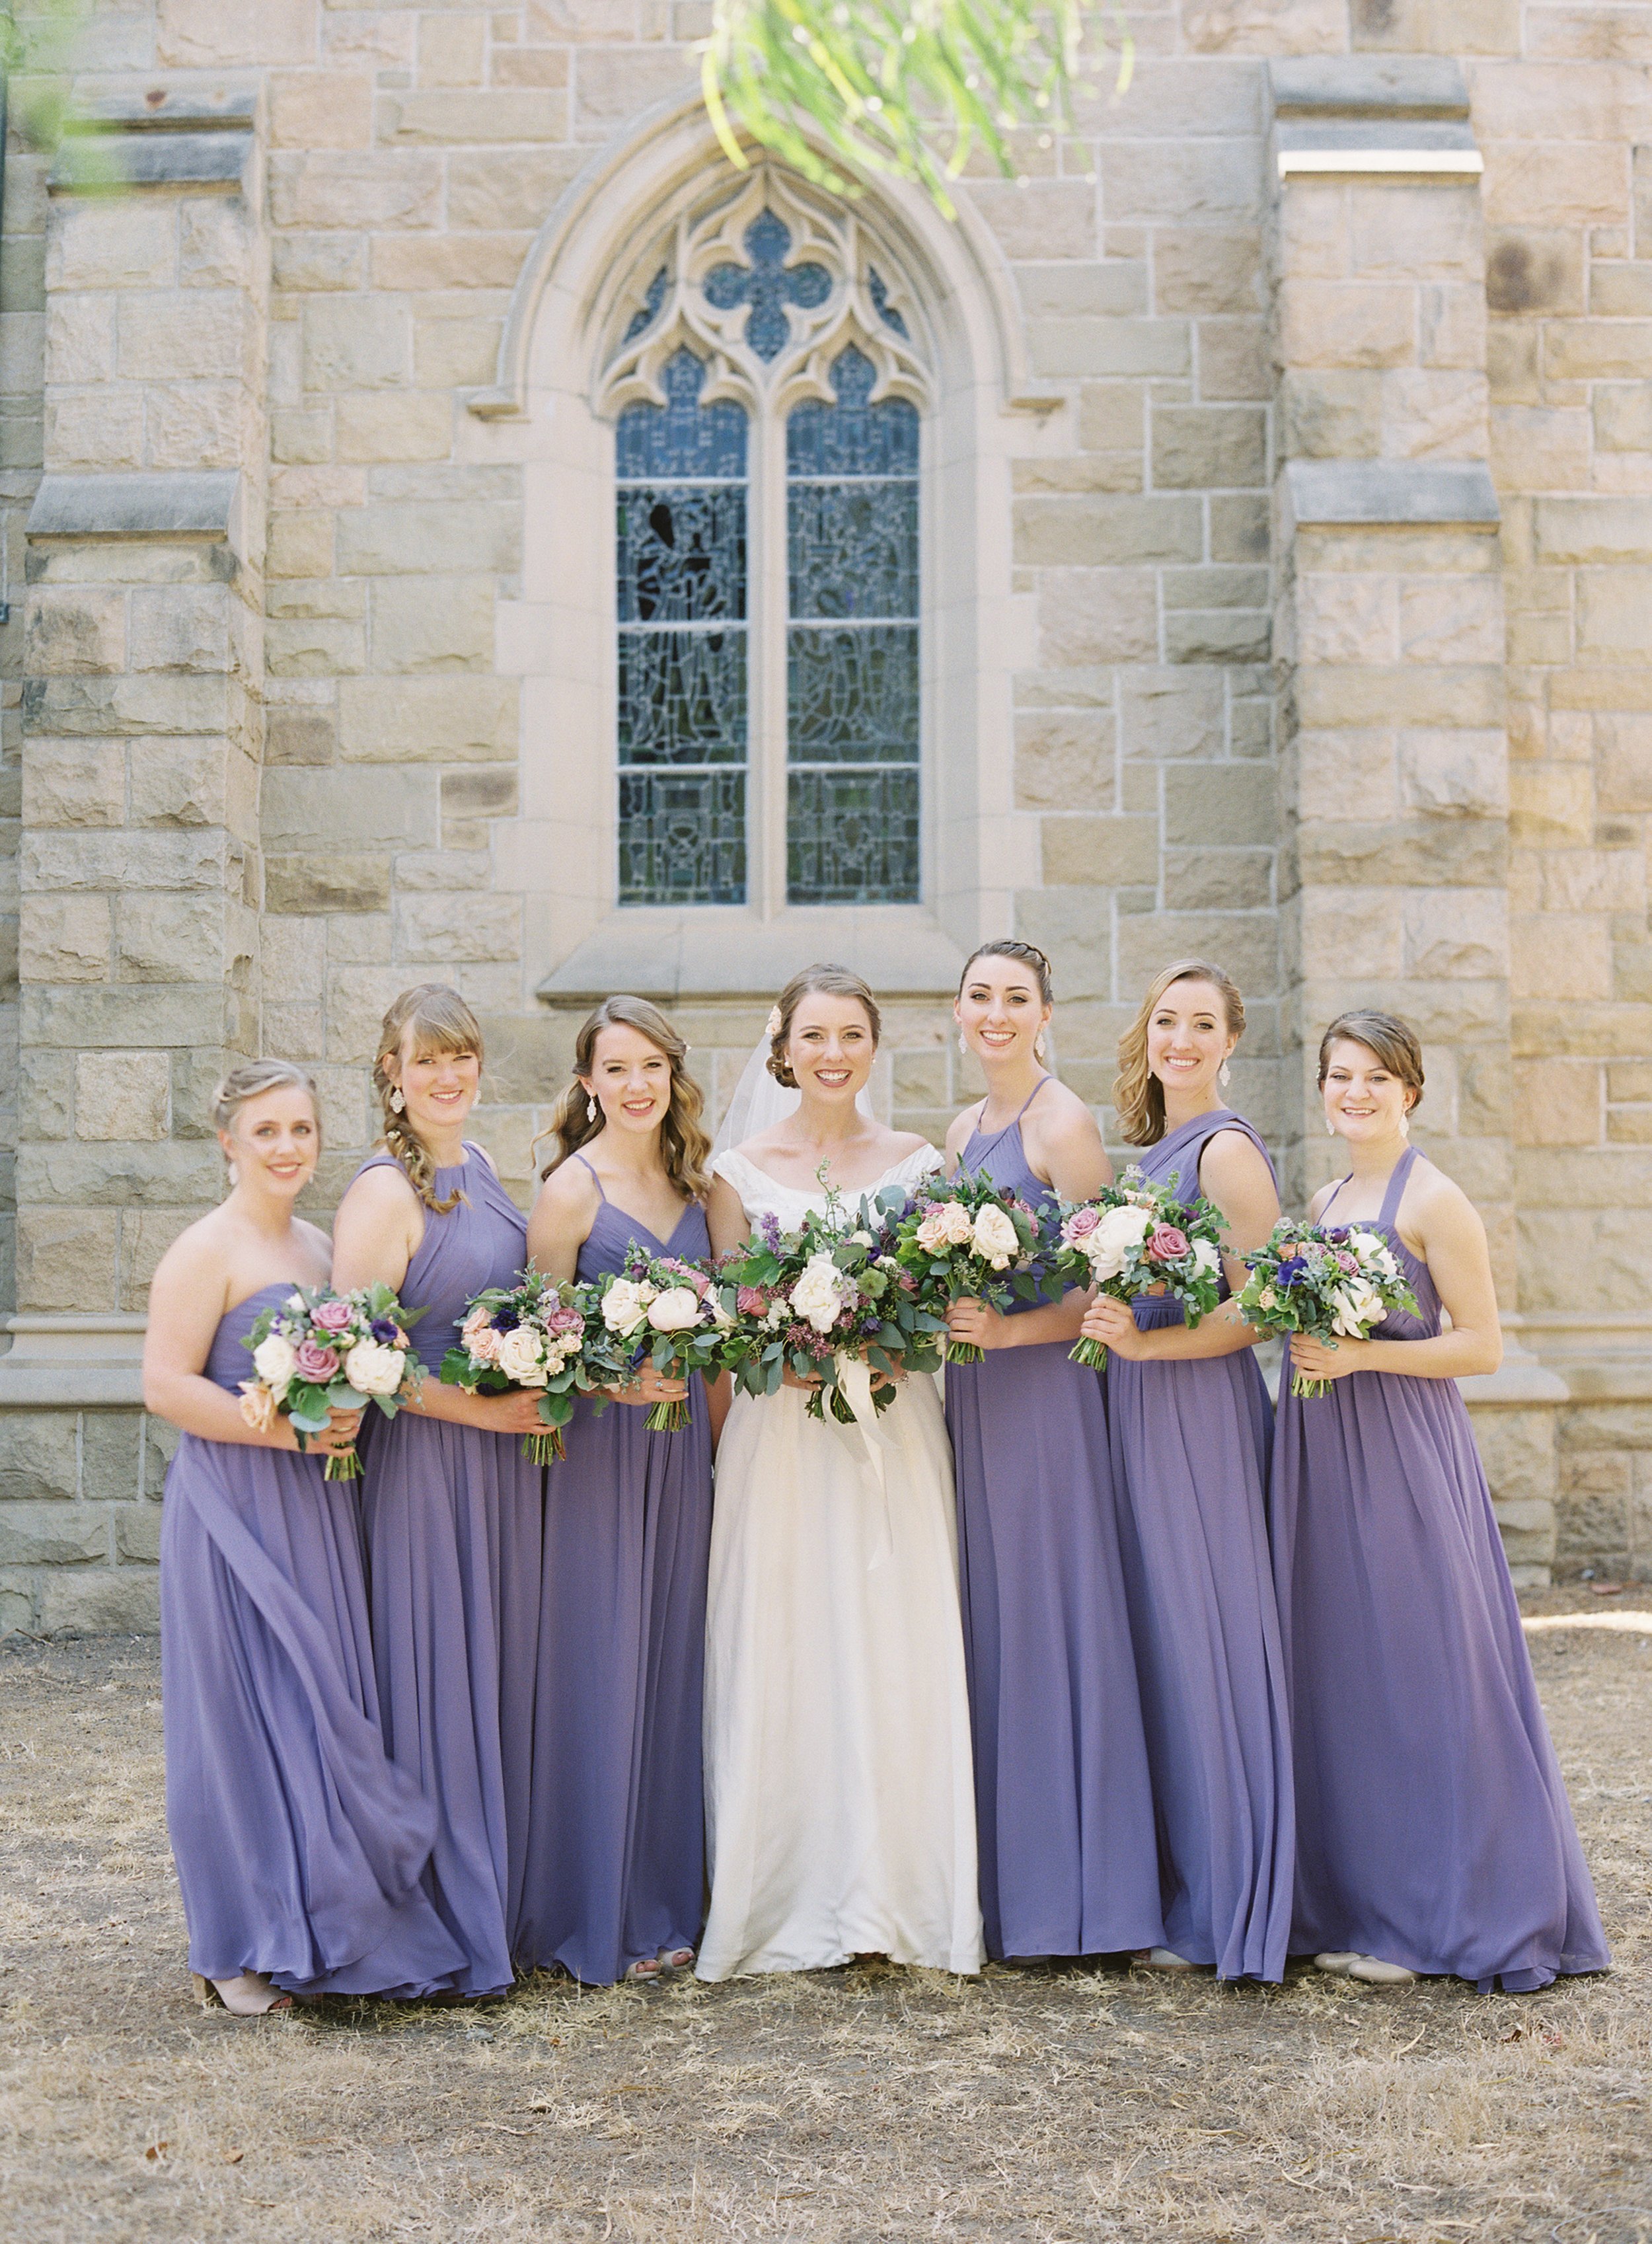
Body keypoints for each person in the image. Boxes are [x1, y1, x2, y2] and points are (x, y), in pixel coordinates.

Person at [1273, 1010, 1611, 1992]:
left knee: (1426, 1671)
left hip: (1403, 1456)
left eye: (1377, 1077)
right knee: (1350, 1675)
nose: (1357, 1093)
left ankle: (1449, 1914)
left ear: (1410, 1090)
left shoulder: (1437, 1200)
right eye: (1341, 1076)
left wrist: (1359, 1352)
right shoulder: (1326, 1195)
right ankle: (1369, 1904)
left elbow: (1482, 1345)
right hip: (1323, 1451)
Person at [145, 1061, 466, 2013]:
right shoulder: (207, 1249)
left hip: (319, 1509)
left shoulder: (325, 1246)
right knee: (241, 1718)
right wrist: (284, 1428)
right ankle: (233, 1947)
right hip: (234, 1508)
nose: (287, 1148)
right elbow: (165, 1385)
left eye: (301, 1131)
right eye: (267, 1131)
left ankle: (319, 1923)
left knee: (319, 1710)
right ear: (228, 1143)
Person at [697, 964, 984, 1980]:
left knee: (890, 1642)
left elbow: (941, 1310)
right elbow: (735, 1321)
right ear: (783, 1049)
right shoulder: (735, 1171)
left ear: (873, 1047)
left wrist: (884, 1342)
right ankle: (784, 1896)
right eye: (813, 1036)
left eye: (851, 1035)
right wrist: (795, 1338)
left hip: (891, 1430)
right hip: (781, 1436)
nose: (832, 1054)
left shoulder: (917, 1164)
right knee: (786, 1642)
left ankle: (900, 1897)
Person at [942, 941, 1164, 1966]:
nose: (996, 1014)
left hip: (1046, 1395)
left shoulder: (1062, 1124)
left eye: (1015, 999)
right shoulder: (963, 1129)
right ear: (958, 1012)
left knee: (1055, 1614)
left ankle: (1088, 1898)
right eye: (981, 997)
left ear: (1044, 1015)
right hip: (978, 1398)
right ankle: (1014, 1888)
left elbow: (1105, 1287)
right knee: (1000, 1617)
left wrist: (1011, 1334)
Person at [1078, 959, 1293, 1982]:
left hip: (1193, 1415)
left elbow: (1258, 1309)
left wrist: (1151, 1346)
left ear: (1231, 1041)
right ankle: (1188, 1884)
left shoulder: (1227, 1153)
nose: (1182, 1040)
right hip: (1136, 1409)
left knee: (1207, 1635)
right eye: (1167, 1020)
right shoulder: (1155, 1151)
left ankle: (1232, 1903)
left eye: (1203, 1024)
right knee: (1163, 1636)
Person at [330, 985, 545, 1999]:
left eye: (462, 1057)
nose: (448, 1077)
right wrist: (490, 1413)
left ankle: (493, 1900)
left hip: (504, 1475)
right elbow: (365, 1367)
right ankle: (435, 1918)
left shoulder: (487, 1169)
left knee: (490, 1679)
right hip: (426, 1472)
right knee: (434, 1682)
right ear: (393, 1074)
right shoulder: (382, 1195)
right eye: (427, 1062)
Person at [518, 996, 719, 1984]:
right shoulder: (571, 1190)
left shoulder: (698, 1185)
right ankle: (589, 1907)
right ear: (588, 1082)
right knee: (601, 1663)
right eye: (617, 1068)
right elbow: (536, 1348)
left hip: (681, 1458)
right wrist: (607, 1378)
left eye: (653, 1067)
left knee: (673, 1664)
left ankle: (665, 1901)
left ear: (671, 1077)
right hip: (599, 1456)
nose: (636, 1085)